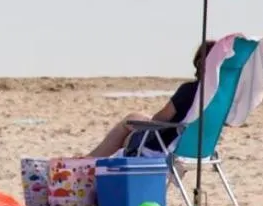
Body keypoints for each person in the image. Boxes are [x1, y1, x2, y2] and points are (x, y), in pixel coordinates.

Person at [86, 40, 214, 158]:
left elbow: (159, 119)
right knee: (134, 117)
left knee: (128, 129)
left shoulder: (190, 90)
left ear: (199, 63)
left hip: (162, 147)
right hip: (198, 149)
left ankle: (87, 162)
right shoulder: (220, 98)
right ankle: (88, 160)